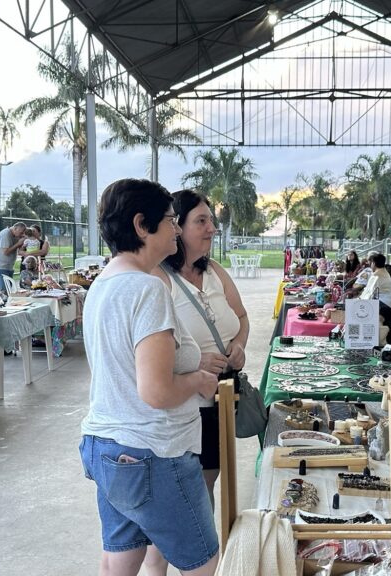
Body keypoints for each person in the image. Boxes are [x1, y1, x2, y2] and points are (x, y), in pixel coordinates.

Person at [79, 178, 219, 576]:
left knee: (121, 559)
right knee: (203, 562)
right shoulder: (146, 289)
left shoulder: (103, 284)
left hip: (107, 444)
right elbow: (156, 392)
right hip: (152, 450)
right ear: (142, 225)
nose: (176, 229)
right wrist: (197, 380)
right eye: (171, 220)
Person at [148, 189, 249, 575]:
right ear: (178, 227)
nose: (211, 228)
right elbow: (150, 349)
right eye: (201, 221)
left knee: (205, 485)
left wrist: (238, 346)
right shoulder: (159, 279)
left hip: (222, 399)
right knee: (178, 501)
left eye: (211, 220)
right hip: (184, 405)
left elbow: (241, 317)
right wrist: (193, 363)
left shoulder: (215, 270)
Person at [0, 222, 26, 294]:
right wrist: (18, 243)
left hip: (8, 267)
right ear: (15, 228)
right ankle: (3, 303)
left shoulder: (15, 236)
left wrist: (23, 243)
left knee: (9, 289)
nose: (21, 234)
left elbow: (19, 249)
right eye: (21, 232)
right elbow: (6, 252)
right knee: (4, 290)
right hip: (0, 266)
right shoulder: (5, 234)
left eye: (23, 233)